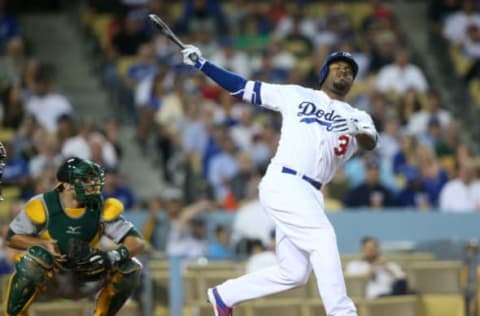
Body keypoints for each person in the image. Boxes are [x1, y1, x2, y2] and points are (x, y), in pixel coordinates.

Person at [180, 43, 378, 316]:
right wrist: (203, 64)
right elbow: (243, 87)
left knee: (294, 272)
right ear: (324, 73)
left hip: (312, 193)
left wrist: (357, 130)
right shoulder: (296, 94)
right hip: (285, 181)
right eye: (338, 67)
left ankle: (225, 295)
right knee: (322, 237)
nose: (344, 71)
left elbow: (371, 142)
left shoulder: (358, 116)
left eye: (349, 70)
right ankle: (342, 313)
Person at [3, 157, 145, 315]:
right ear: (67, 184)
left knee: (130, 267)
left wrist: (112, 256)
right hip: (52, 277)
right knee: (34, 261)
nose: (92, 185)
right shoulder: (44, 204)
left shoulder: (99, 207)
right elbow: (11, 238)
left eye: (93, 179)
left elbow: (137, 241)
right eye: (85, 180)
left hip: (87, 274)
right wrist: (44, 244)